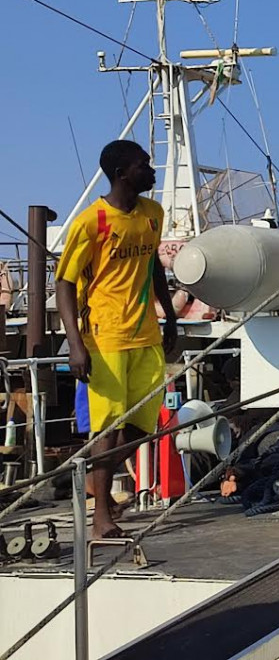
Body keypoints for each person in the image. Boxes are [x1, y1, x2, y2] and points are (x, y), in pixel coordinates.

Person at [56, 140, 178, 538]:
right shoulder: (92, 221)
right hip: (104, 338)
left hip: (145, 334)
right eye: (145, 165)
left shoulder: (152, 215)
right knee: (107, 428)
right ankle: (100, 518)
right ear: (123, 173)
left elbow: (153, 267)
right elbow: (64, 283)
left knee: (146, 424)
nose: (153, 170)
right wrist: (75, 344)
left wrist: (170, 316)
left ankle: (96, 479)